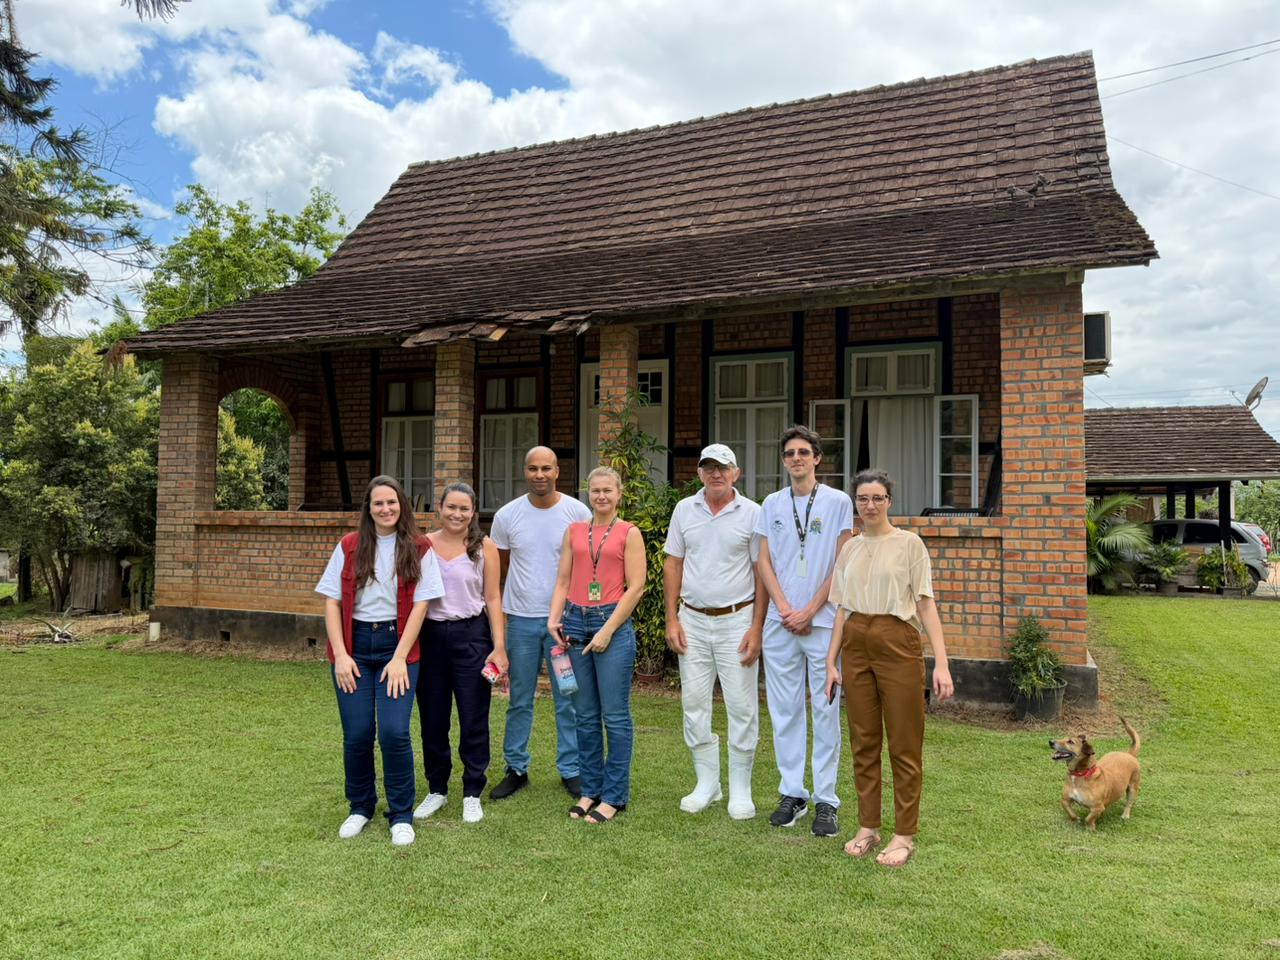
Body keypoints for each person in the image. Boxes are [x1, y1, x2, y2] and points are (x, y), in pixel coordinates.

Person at [823, 469, 955, 867]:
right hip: (856, 642)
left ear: (889, 501)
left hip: (898, 642)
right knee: (863, 741)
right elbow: (842, 609)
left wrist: (942, 663)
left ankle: (904, 833)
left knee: (903, 743)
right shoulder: (849, 549)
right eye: (863, 499)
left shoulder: (909, 545)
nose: (870, 505)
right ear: (855, 504)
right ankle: (868, 827)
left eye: (877, 497)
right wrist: (831, 661)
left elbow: (925, 604)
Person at [316, 475, 445, 846]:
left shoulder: (419, 548)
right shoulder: (349, 545)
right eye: (378, 503)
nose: (386, 509)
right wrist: (340, 655)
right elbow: (331, 601)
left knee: (394, 732)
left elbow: (422, 605)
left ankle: (401, 815)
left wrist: (401, 657)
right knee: (357, 734)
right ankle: (360, 807)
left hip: (398, 648)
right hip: (353, 647)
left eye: (392, 502)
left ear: (401, 505)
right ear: (368, 509)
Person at [755, 425, 854, 837]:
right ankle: (792, 792)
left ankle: (826, 800)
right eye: (790, 453)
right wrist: (783, 607)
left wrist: (811, 609)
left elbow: (843, 562)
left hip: (822, 623)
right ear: (783, 460)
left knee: (825, 710)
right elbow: (764, 561)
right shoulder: (771, 503)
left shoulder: (838, 502)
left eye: (804, 452)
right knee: (784, 711)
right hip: (781, 624)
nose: (796, 458)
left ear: (817, 458)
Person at [663, 443, 766, 819]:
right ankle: (708, 783)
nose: (716, 474)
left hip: (738, 619)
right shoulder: (683, 510)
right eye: (709, 468)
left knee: (741, 706)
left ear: (736, 473)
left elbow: (761, 573)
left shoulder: (752, 513)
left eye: (723, 467)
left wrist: (757, 628)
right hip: (691, 617)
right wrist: (671, 618)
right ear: (700, 473)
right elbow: (673, 564)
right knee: (694, 704)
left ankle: (740, 788)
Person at [489, 446, 592, 801]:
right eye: (532, 468)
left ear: (557, 471)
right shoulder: (507, 515)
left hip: (562, 626)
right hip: (520, 622)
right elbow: (500, 569)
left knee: (568, 696)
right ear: (525, 471)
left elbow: (587, 563)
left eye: (546, 468)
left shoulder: (578, 513)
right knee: (519, 698)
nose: (539, 475)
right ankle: (516, 767)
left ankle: (572, 769)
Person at [547, 466, 646, 824]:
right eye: (595, 490)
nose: (601, 496)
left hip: (612, 626)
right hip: (574, 622)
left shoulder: (628, 533)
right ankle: (590, 790)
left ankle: (614, 796)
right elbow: (562, 580)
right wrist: (552, 619)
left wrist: (607, 630)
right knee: (584, 715)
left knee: (615, 716)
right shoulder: (574, 531)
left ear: (619, 494)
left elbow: (636, 587)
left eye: (608, 490)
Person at [413, 482, 508, 825]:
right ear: (439, 509)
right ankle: (437, 788)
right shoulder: (422, 545)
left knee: (473, 717)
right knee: (433, 718)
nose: (457, 514)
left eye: (464, 508)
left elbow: (493, 598)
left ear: (473, 512)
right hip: (431, 637)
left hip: (472, 637)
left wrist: (499, 646)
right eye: (451, 507)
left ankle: (472, 791)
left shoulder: (484, 547)